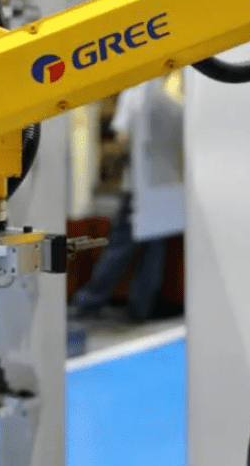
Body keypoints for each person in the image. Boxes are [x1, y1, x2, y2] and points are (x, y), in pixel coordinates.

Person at [70, 73, 185, 321]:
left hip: (139, 187)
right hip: (167, 187)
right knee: (154, 252)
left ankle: (89, 303)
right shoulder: (175, 106)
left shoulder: (136, 94)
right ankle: (141, 309)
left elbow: (123, 138)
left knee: (119, 247)